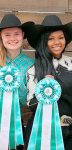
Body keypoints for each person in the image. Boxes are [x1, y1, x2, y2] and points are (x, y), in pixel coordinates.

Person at [24, 15, 72, 150]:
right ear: (44, 41)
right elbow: (31, 104)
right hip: (43, 133)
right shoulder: (33, 70)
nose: (57, 42)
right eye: (51, 38)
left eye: (60, 37)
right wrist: (44, 89)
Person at [0, 13, 34, 150]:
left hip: (16, 125)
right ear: (1, 38)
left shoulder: (31, 64)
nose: (12, 38)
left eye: (16, 34)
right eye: (7, 35)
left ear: (23, 35)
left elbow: (31, 98)